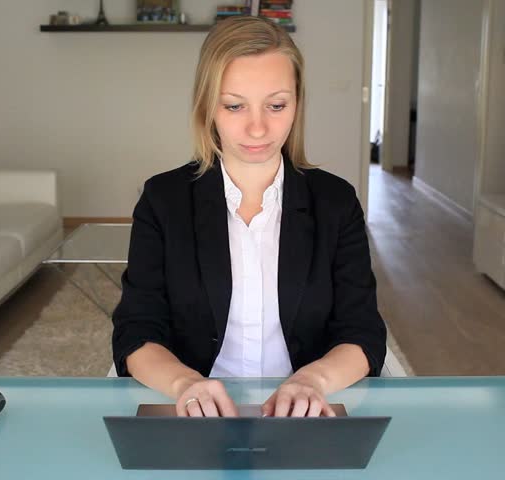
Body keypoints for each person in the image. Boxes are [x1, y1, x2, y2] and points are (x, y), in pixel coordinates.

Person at [112, 16, 386, 418]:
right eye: (235, 105)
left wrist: (313, 381)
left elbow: (362, 331)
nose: (257, 128)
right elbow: (136, 330)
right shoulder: (162, 199)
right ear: (208, 106)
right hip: (192, 416)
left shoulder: (336, 201)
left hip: (305, 417)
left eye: (276, 105)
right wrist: (185, 384)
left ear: (297, 104)